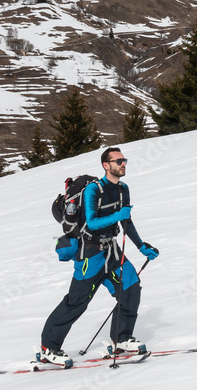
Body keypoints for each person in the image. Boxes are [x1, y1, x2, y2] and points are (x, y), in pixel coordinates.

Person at [38, 147, 160, 366]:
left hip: (112, 251)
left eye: (125, 160)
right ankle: (49, 347)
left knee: (130, 288)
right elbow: (92, 223)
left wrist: (142, 246)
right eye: (118, 161)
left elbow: (126, 222)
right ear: (106, 165)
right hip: (89, 254)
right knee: (76, 302)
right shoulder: (93, 190)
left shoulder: (123, 189)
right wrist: (118, 215)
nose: (123, 164)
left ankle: (121, 339)